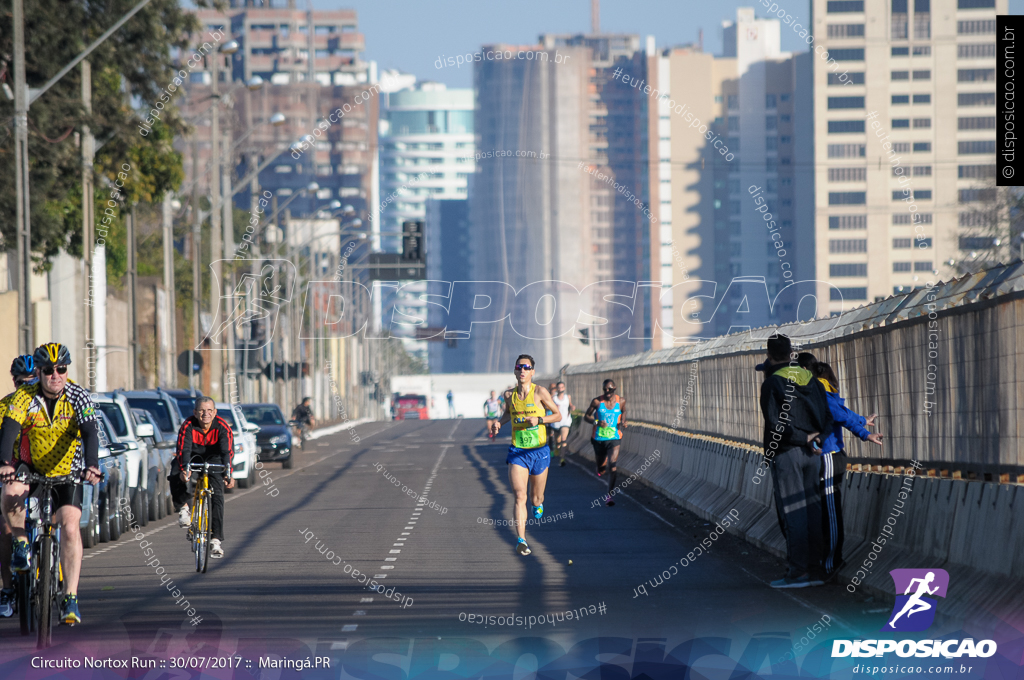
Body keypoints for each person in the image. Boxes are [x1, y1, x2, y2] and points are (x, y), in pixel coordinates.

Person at [0, 343, 102, 625]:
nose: (55, 375)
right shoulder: (24, 397)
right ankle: (21, 544)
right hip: (29, 467)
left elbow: (90, 432)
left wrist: (91, 465)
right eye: (48, 370)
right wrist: (4, 464)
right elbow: (9, 429)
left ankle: (70, 597)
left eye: (61, 369)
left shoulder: (79, 396)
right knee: (10, 493)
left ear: (67, 370)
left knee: (70, 526)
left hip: (67, 472)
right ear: (41, 372)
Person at [759, 334, 834, 589]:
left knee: (792, 512)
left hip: (786, 453)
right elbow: (827, 416)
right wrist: (817, 438)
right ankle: (814, 569)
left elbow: (776, 424)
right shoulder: (812, 380)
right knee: (813, 509)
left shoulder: (772, 384)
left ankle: (797, 572)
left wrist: (802, 438)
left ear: (769, 355)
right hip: (814, 454)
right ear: (792, 353)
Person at [810, 359, 884, 580]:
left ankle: (832, 562)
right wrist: (862, 421)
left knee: (830, 512)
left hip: (830, 456)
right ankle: (827, 560)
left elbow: (839, 415)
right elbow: (844, 412)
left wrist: (864, 433)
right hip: (829, 456)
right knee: (826, 510)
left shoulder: (820, 392)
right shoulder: (825, 390)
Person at [488, 355, 561, 556]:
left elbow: (558, 415)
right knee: (520, 496)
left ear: (532, 372)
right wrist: (499, 423)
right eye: (519, 367)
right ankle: (521, 540)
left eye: (526, 367)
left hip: (539, 451)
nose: (522, 371)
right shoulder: (509, 395)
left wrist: (539, 420)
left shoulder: (540, 392)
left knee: (536, 498)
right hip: (518, 452)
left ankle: (538, 504)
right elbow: (507, 413)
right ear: (515, 370)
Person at [172, 397, 235, 559]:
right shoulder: (188, 425)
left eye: (209, 410)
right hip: (193, 456)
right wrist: (184, 469)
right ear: (195, 412)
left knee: (218, 496)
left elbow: (226, 452)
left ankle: (215, 539)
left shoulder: (222, 426)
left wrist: (228, 473)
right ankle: (184, 507)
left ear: (215, 412)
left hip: (214, 458)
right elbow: (182, 450)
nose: (205, 414)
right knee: (174, 468)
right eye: (201, 410)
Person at [0, 355, 38, 618]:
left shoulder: (45, 406)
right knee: (3, 529)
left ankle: (52, 570)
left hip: (40, 473)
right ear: (14, 382)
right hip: (9, 473)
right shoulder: (4, 407)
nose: (26, 386)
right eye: (21, 382)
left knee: (57, 515)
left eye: (31, 381)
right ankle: (7, 589)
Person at [584, 380, 627, 506]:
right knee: (601, 469)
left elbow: (624, 411)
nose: (607, 392)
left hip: (614, 438)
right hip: (598, 439)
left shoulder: (621, 401)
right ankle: (600, 468)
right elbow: (586, 416)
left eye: (610, 390)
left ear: (614, 389)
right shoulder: (597, 402)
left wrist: (623, 421)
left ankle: (609, 495)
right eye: (605, 390)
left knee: (612, 466)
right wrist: (597, 422)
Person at [552, 382, 573, 467]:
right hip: (556, 422)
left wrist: (572, 407)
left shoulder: (567, 397)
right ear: (557, 389)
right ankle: (557, 448)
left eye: (562, 387)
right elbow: (548, 407)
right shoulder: (554, 398)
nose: (560, 389)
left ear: (564, 388)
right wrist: (554, 407)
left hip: (566, 421)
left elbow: (570, 405)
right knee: (558, 440)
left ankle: (562, 458)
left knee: (563, 439)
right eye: (559, 388)